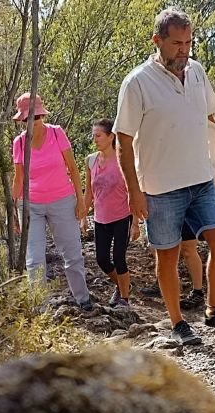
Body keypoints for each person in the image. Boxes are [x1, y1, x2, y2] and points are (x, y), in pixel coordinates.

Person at [113, 7, 215, 345]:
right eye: (176, 44)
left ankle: (214, 310)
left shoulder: (198, 72)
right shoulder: (137, 82)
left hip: (201, 179)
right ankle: (176, 323)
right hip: (160, 187)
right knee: (167, 255)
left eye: (188, 43)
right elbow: (123, 143)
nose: (183, 50)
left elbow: (211, 120)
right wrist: (133, 192)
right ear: (156, 41)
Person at [11, 92, 93, 310]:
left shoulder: (57, 134)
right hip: (31, 205)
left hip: (62, 200)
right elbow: (18, 178)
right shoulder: (19, 143)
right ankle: (40, 308)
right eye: (27, 119)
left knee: (72, 254)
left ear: (42, 116)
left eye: (35, 117)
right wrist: (13, 211)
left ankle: (83, 298)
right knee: (34, 259)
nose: (32, 122)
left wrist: (80, 200)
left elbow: (73, 169)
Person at [84, 118, 140, 309]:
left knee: (118, 258)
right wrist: (83, 217)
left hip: (122, 216)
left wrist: (135, 223)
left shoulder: (122, 160)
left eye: (98, 136)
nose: (95, 140)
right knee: (101, 259)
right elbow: (88, 193)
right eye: (93, 136)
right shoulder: (90, 161)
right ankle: (122, 284)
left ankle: (124, 299)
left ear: (111, 136)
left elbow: (133, 190)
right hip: (100, 218)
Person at [141, 223, 205, 309]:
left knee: (188, 248)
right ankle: (161, 284)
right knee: (158, 248)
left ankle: (198, 293)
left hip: (185, 213)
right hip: (160, 212)